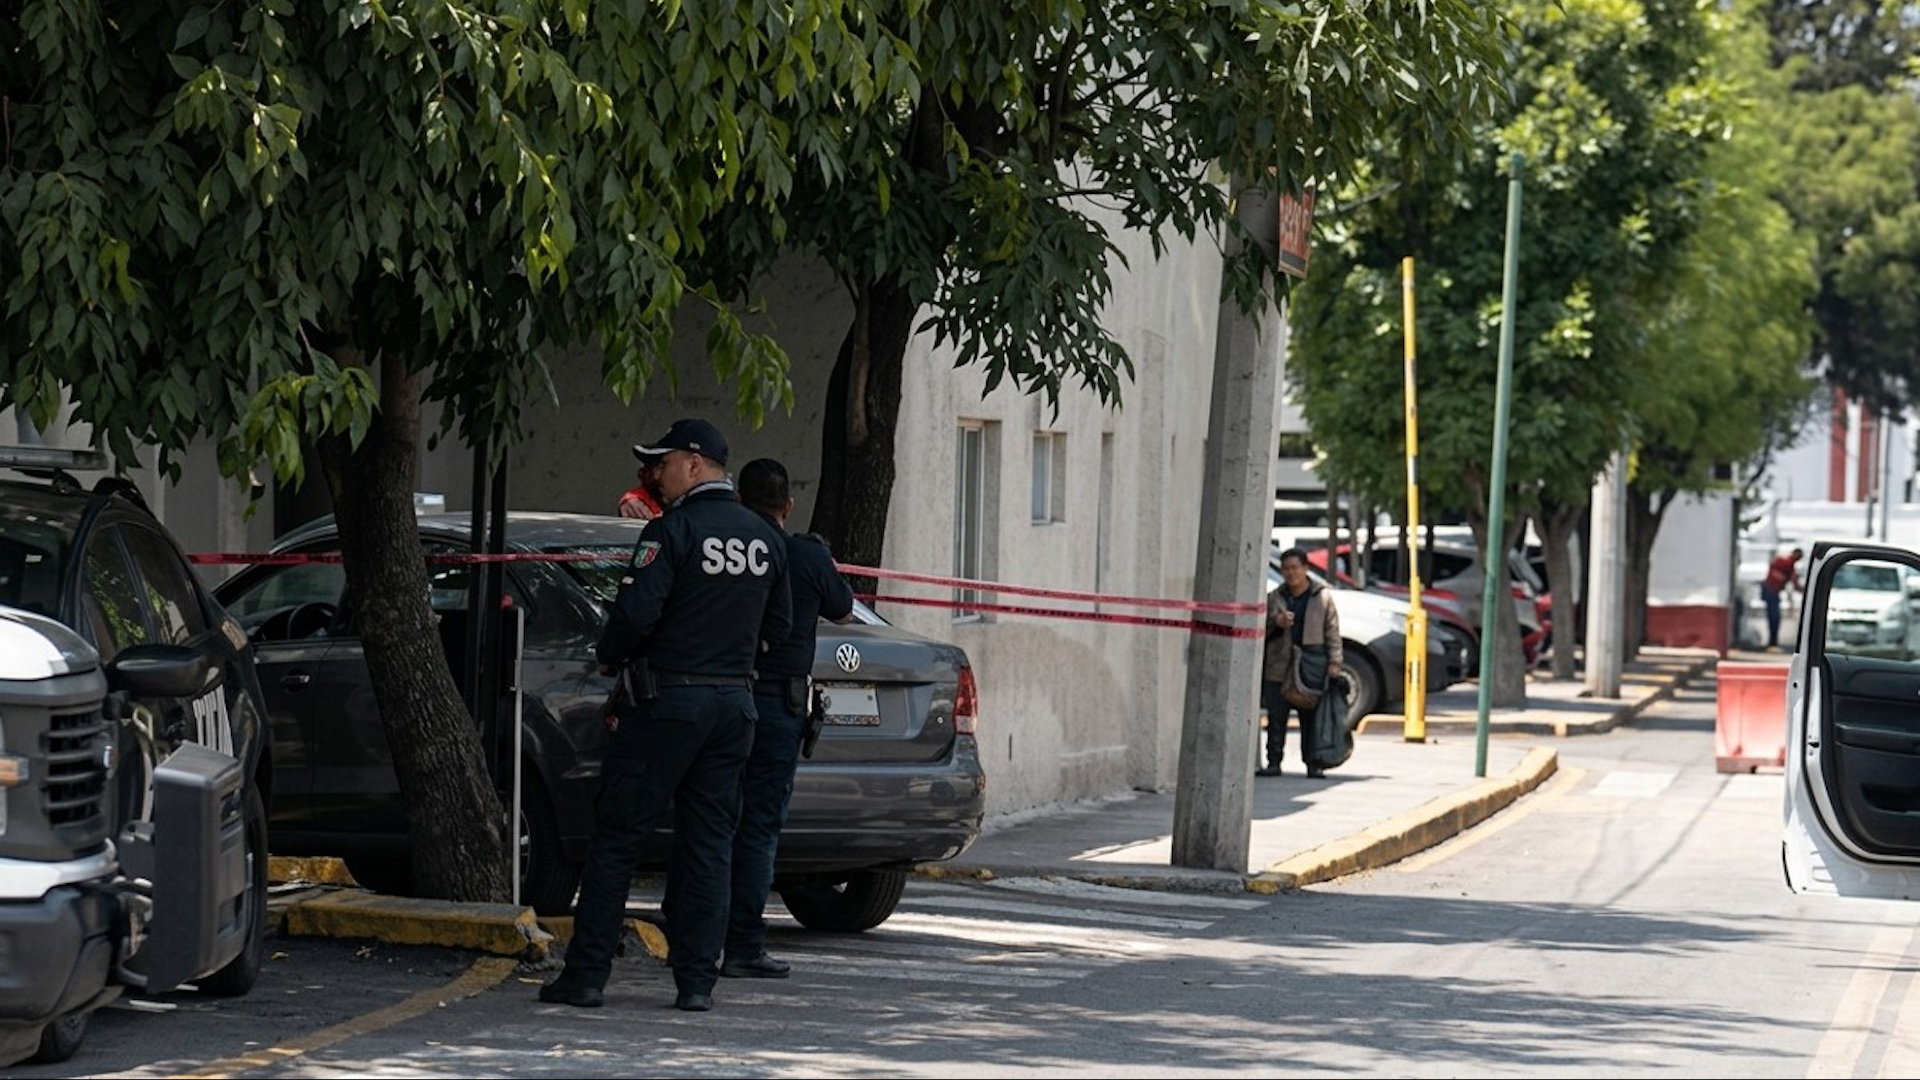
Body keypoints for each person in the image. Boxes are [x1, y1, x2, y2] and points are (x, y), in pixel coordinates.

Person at [539, 417, 792, 1014]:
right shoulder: (764, 537)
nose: (657, 474)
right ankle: (697, 982)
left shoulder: (672, 530)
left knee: (617, 838)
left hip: (667, 703)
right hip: (734, 706)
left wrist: (610, 658)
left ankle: (587, 976)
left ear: (695, 464)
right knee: (709, 845)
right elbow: (779, 629)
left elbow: (634, 616)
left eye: (665, 462)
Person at [723, 458, 855, 980]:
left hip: (726, 695)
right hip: (779, 705)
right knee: (758, 828)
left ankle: (697, 935)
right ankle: (742, 944)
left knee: (711, 820)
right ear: (789, 505)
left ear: (740, 500)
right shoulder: (804, 554)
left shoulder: (730, 549)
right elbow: (843, 610)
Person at [1257, 547, 1343, 779]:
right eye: (1286, 568)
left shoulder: (1321, 597)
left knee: (1310, 716)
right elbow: (1260, 628)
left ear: (1305, 569)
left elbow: (1332, 631)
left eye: (1295, 567)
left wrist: (1335, 662)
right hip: (1278, 664)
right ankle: (1274, 761)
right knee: (1276, 715)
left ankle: (1313, 763)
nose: (1291, 573)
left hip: (1310, 664)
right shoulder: (1275, 597)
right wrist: (1276, 622)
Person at [1761, 546, 1804, 650]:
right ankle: (1773, 642)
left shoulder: (1782, 561)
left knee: (1773, 618)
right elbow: (1795, 583)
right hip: (1771, 591)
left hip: (1769, 591)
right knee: (1774, 618)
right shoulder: (1787, 564)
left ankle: (1772, 642)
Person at [617, 447, 666, 520]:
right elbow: (634, 497)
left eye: (663, 467)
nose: (657, 475)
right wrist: (628, 500)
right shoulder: (644, 495)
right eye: (651, 468)